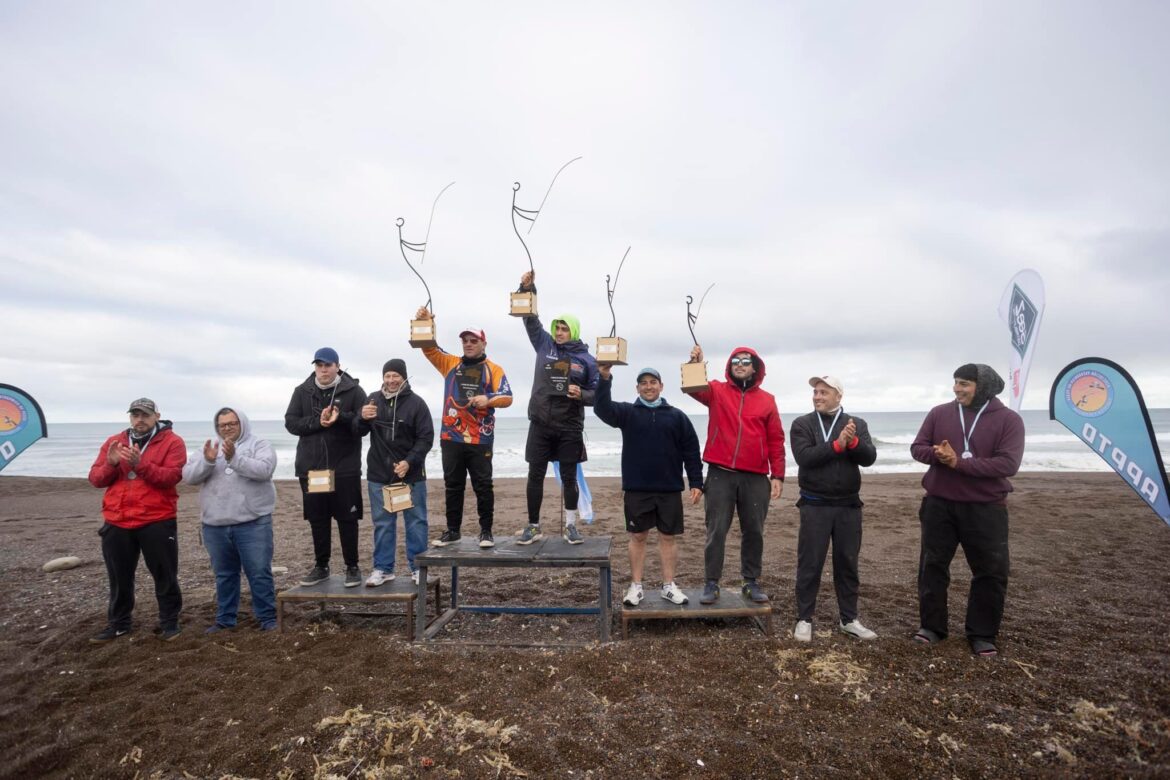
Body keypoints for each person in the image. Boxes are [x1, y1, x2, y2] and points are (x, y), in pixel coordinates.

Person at [910, 363, 1025, 657]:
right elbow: (917, 448)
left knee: (990, 572)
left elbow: (1007, 465)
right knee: (932, 567)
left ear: (983, 386)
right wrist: (937, 454)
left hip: (986, 508)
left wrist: (958, 462)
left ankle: (982, 634)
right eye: (956, 383)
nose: (957, 389)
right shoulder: (939, 413)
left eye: (964, 384)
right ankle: (932, 628)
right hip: (939, 504)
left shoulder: (1009, 420)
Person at [594, 364, 704, 606]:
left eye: (653, 382)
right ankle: (636, 586)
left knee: (668, 537)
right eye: (643, 383)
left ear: (661, 386)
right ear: (637, 388)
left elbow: (691, 450)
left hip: (669, 489)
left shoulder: (677, 416)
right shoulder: (627, 412)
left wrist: (696, 481)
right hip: (637, 489)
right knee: (638, 536)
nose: (648, 386)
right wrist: (604, 377)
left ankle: (668, 585)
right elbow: (601, 408)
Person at [685, 345, 785, 605]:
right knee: (716, 530)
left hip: (755, 477)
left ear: (755, 367)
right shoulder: (717, 390)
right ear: (730, 366)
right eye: (735, 361)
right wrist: (696, 362)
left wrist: (778, 475)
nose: (740, 364)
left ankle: (750, 581)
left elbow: (776, 439)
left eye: (745, 361)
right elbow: (693, 387)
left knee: (754, 531)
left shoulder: (768, 400)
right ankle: (711, 583)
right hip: (720, 474)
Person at [86, 398, 186, 643]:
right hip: (117, 520)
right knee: (119, 577)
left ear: (156, 416)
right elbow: (96, 479)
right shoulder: (115, 442)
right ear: (130, 417)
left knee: (165, 575)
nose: (140, 419)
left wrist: (140, 465)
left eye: (145, 415)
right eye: (135, 415)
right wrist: (111, 463)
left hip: (156, 519)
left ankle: (169, 623)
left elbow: (171, 477)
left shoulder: (172, 441)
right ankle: (119, 624)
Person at [413, 308, 513, 548]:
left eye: (473, 341)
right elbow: (429, 349)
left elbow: (507, 397)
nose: (468, 344)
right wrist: (426, 323)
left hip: (480, 438)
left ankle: (486, 531)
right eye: (465, 341)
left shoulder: (494, 369)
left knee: (483, 486)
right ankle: (453, 530)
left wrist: (488, 399)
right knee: (453, 485)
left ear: (483, 343)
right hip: (451, 436)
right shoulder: (450, 363)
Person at [789, 376, 878, 643]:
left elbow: (869, 458)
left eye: (823, 392)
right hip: (814, 504)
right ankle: (804, 619)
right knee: (810, 564)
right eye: (815, 392)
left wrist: (852, 443)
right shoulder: (802, 423)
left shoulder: (856, 424)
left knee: (848, 565)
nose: (817, 396)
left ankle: (849, 619)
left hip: (849, 506)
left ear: (838, 396)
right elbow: (804, 458)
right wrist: (837, 445)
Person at [515, 271, 599, 545]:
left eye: (564, 329)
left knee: (569, 477)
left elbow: (599, 394)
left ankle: (571, 525)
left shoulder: (587, 360)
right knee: (535, 475)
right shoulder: (544, 344)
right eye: (557, 328)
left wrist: (581, 394)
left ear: (573, 330)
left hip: (569, 427)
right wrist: (527, 287)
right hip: (540, 422)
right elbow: (530, 318)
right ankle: (533, 525)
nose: (559, 333)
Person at [182, 406, 278, 633]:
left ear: (241, 423)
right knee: (225, 575)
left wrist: (234, 458)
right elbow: (188, 477)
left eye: (231, 423)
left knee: (259, 572)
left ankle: (268, 618)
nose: (226, 428)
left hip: (253, 522)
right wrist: (207, 461)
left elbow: (264, 470)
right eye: (222, 425)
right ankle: (225, 620)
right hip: (215, 525)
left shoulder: (259, 444)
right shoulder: (208, 448)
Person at [284, 347, 367, 588]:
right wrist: (317, 422)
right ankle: (321, 566)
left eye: (328, 365)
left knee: (347, 519)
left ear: (337, 366)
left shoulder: (354, 391)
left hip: (345, 469)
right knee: (318, 519)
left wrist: (340, 417)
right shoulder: (302, 391)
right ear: (315, 367)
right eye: (319, 365)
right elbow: (291, 423)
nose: (323, 369)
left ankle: (352, 567)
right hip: (312, 468)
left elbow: (362, 427)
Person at [357, 359, 434, 585]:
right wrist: (362, 417)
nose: (391, 380)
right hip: (379, 475)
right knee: (382, 523)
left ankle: (418, 569)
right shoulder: (372, 400)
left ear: (404, 377)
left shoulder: (417, 404)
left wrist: (409, 462)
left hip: (410, 476)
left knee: (416, 522)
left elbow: (425, 438)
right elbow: (358, 430)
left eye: (395, 376)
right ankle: (383, 569)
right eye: (387, 376)